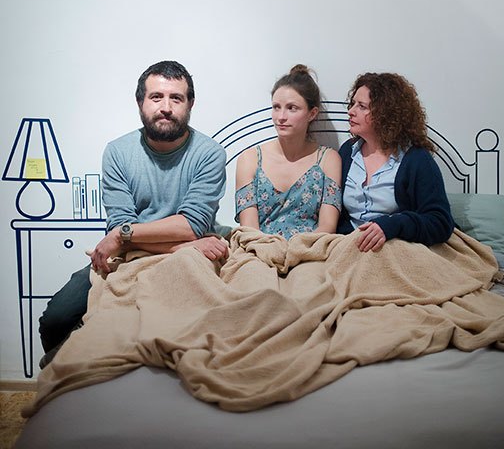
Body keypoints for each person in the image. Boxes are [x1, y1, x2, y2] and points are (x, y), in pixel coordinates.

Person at [39, 60, 228, 365]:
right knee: (55, 319)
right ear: (140, 102)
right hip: (133, 255)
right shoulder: (118, 151)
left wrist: (123, 235)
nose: (166, 107)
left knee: (170, 326)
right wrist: (184, 244)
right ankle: (61, 378)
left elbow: (191, 225)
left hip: (179, 258)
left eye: (176, 98)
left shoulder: (209, 153)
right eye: (156, 97)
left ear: (190, 104)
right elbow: (122, 224)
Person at [338, 72, 454, 252]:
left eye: (362, 106)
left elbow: (440, 222)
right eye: (352, 104)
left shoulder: (416, 159)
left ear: (385, 113)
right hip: (350, 246)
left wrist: (393, 225)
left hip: (394, 247)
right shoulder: (347, 152)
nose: (351, 111)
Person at [235, 64, 342, 238]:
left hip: (311, 247)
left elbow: (328, 226)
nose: (281, 117)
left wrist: (299, 248)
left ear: (312, 113)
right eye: (276, 107)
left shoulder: (328, 159)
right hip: (258, 247)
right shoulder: (250, 159)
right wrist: (269, 248)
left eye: (292, 108)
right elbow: (249, 229)